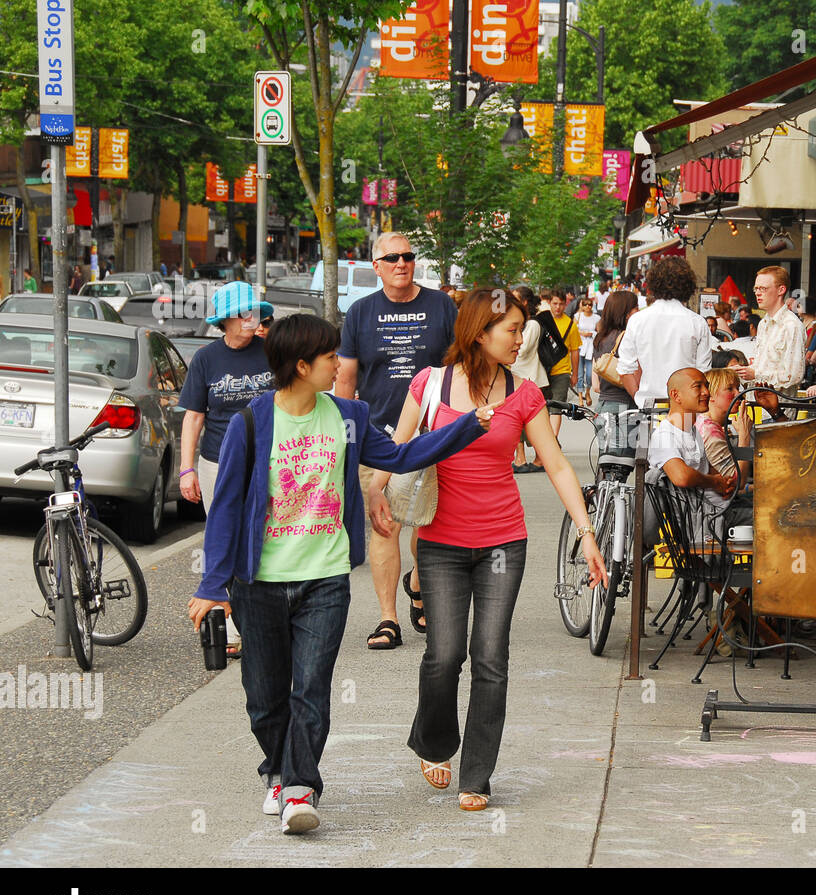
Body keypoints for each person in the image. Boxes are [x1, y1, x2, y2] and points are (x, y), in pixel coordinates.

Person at [187, 313, 489, 835]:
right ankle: (277, 769)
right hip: (258, 583)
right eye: (330, 357)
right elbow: (229, 508)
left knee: (310, 688)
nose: (339, 364)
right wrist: (214, 586)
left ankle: (301, 787)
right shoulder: (252, 423)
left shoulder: (347, 416)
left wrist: (466, 426)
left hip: (324, 578)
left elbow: (397, 455)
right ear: (302, 366)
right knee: (263, 698)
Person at [374, 288, 606, 812]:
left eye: (523, 328)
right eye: (512, 328)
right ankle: (433, 742)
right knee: (444, 653)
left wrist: (587, 533)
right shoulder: (429, 384)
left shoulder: (525, 394)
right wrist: (375, 493)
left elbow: (558, 465)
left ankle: (477, 776)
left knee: (490, 657)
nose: (521, 337)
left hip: (503, 539)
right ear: (480, 332)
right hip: (440, 543)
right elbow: (398, 450)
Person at [336, 231, 458, 650]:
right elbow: (346, 379)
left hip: (432, 435)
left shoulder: (441, 305)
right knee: (383, 524)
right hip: (376, 435)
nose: (401, 264)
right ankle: (388, 618)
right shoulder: (360, 313)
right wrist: (343, 435)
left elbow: (458, 366)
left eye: (407, 256)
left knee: (430, 522)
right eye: (391, 258)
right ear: (376, 266)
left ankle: (419, 581)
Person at [178, 282, 277, 654]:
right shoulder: (206, 358)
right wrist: (186, 469)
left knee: (264, 540)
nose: (254, 318)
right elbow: (194, 417)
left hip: (267, 463)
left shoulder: (270, 353)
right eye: (246, 312)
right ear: (227, 320)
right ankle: (230, 624)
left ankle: (263, 619)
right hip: (217, 461)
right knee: (225, 540)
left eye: (256, 312)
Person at [617, 258, 712, 410]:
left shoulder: (637, 320)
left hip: (649, 406)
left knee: (647, 435)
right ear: (688, 285)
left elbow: (625, 369)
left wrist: (639, 398)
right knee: (685, 434)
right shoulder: (697, 322)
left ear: (654, 284)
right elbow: (704, 372)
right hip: (685, 407)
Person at [647, 368, 740, 524]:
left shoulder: (693, 430)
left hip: (719, 510)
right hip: (705, 519)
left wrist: (726, 483)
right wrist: (715, 482)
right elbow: (682, 477)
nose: (706, 392)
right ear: (676, 395)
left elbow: (711, 472)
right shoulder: (664, 436)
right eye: (698, 387)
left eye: (707, 386)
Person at [737, 266, 805, 417]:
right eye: (756, 289)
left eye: (763, 288)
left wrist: (756, 373)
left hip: (779, 411)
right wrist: (744, 371)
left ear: (781, 290)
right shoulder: (763, 323)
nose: (758, 293)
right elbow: (763, 363)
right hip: (756, 408)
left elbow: (794, 375)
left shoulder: (792, 325)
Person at [507, 286, 548, 473]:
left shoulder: (532, 325)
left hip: (532, 378)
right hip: (520, 376)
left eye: (515, 299)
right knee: (518, 420)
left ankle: (540, 458)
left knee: (533, 422)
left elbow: (522, 352)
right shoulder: (523, 324)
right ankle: (521, 458)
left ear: (524, 302)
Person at [698, 367, 752, 486]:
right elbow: (738, 482)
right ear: (710, 395)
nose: (738, 394)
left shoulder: (704, 422)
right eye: (729, 389)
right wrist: (744, 436)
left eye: (738, 388)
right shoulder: (709, 431)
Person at [538, 288, 583, 436]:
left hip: (562, 371)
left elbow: (575, 351)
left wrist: (575, 374)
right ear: (549, 303)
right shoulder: (541, 321)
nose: (558, 307)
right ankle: (545, 438)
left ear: (566, 304)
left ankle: (553, 439)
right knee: (542, 407)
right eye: (555, 303)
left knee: (556, 407)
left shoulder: (571, 324)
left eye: (561, 304)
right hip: (542, 371)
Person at [591, 289, 638, 420]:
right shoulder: (627, 339)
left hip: (602, 407)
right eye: (636, 308)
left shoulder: (599, 338)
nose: (638, 312)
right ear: (626, 313)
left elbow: (596, 386)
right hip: (624, 409)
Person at [575, 297, 599, 405]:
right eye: (585, 304)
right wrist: (582, 333)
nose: (588, 307)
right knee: (579, 374)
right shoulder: (578, 316)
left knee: (589, 374)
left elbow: (600, 331)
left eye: (589, 304)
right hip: (580, 346)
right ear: (582, 306)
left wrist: (592, 334)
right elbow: (573, 330)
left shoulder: (596, 318)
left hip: (591, 348)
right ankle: (580, 397)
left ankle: (587, 392)